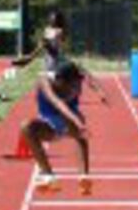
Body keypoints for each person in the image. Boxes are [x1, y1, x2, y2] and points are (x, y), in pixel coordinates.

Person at [21, 61, 92, 194]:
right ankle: (49, 176)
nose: (72, 88)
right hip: (49, 124)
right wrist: (79, 122)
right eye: (69, 85)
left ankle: (84, 176)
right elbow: (58, 103)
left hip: (68, 121)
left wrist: (78, 122)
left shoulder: (75, 82)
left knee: (79, 128)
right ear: (59, 80)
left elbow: (84, 73)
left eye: (75, 84)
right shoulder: (44, 82)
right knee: (26, 127)